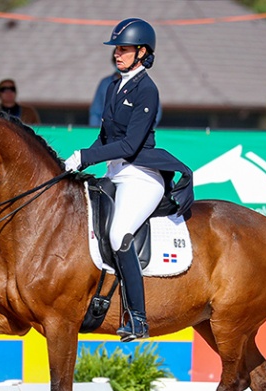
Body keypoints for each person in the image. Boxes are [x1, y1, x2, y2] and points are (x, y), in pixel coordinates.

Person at [64, 18, 193, 342]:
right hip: (115, 172)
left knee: (120, 232)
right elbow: (106, 136)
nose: (117, 55)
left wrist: (85, 156)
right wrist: (72, 165)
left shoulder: (147, 90)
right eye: (116, 49)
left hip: (142, 176)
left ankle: (137, 318)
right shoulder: (113, 85)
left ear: (142, 52)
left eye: (123, 50)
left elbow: (129, 145)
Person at [89, 51, 162, 128]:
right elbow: (95, 112)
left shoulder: (144, 84)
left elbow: (154, 113)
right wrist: (95, 131)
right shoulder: (105, 83)